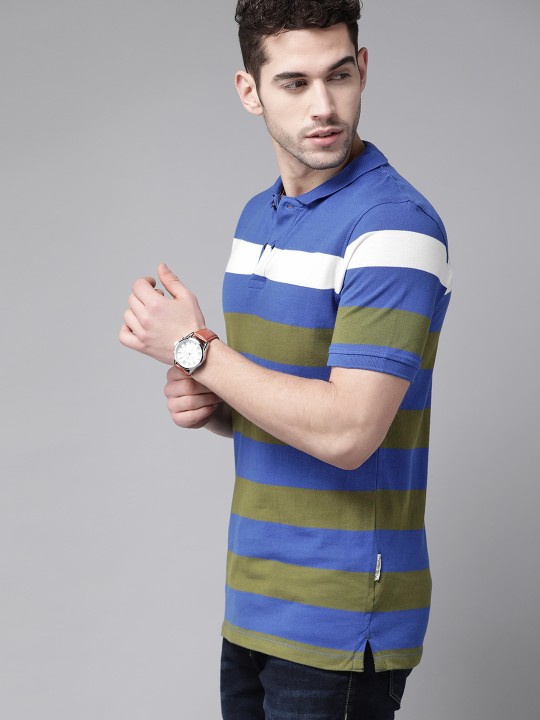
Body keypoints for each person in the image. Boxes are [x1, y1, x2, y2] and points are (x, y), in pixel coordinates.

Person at [119, 1, 452, 717]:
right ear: (251, 91)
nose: (323, 105)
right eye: (295, 83)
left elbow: (348, 431)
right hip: (252, 602)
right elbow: (280, 402)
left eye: (339, 75)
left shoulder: (393, 225)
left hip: (340, 617)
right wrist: (211, 403)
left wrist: (196, 350)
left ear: (363, 70)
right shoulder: (256, 219)